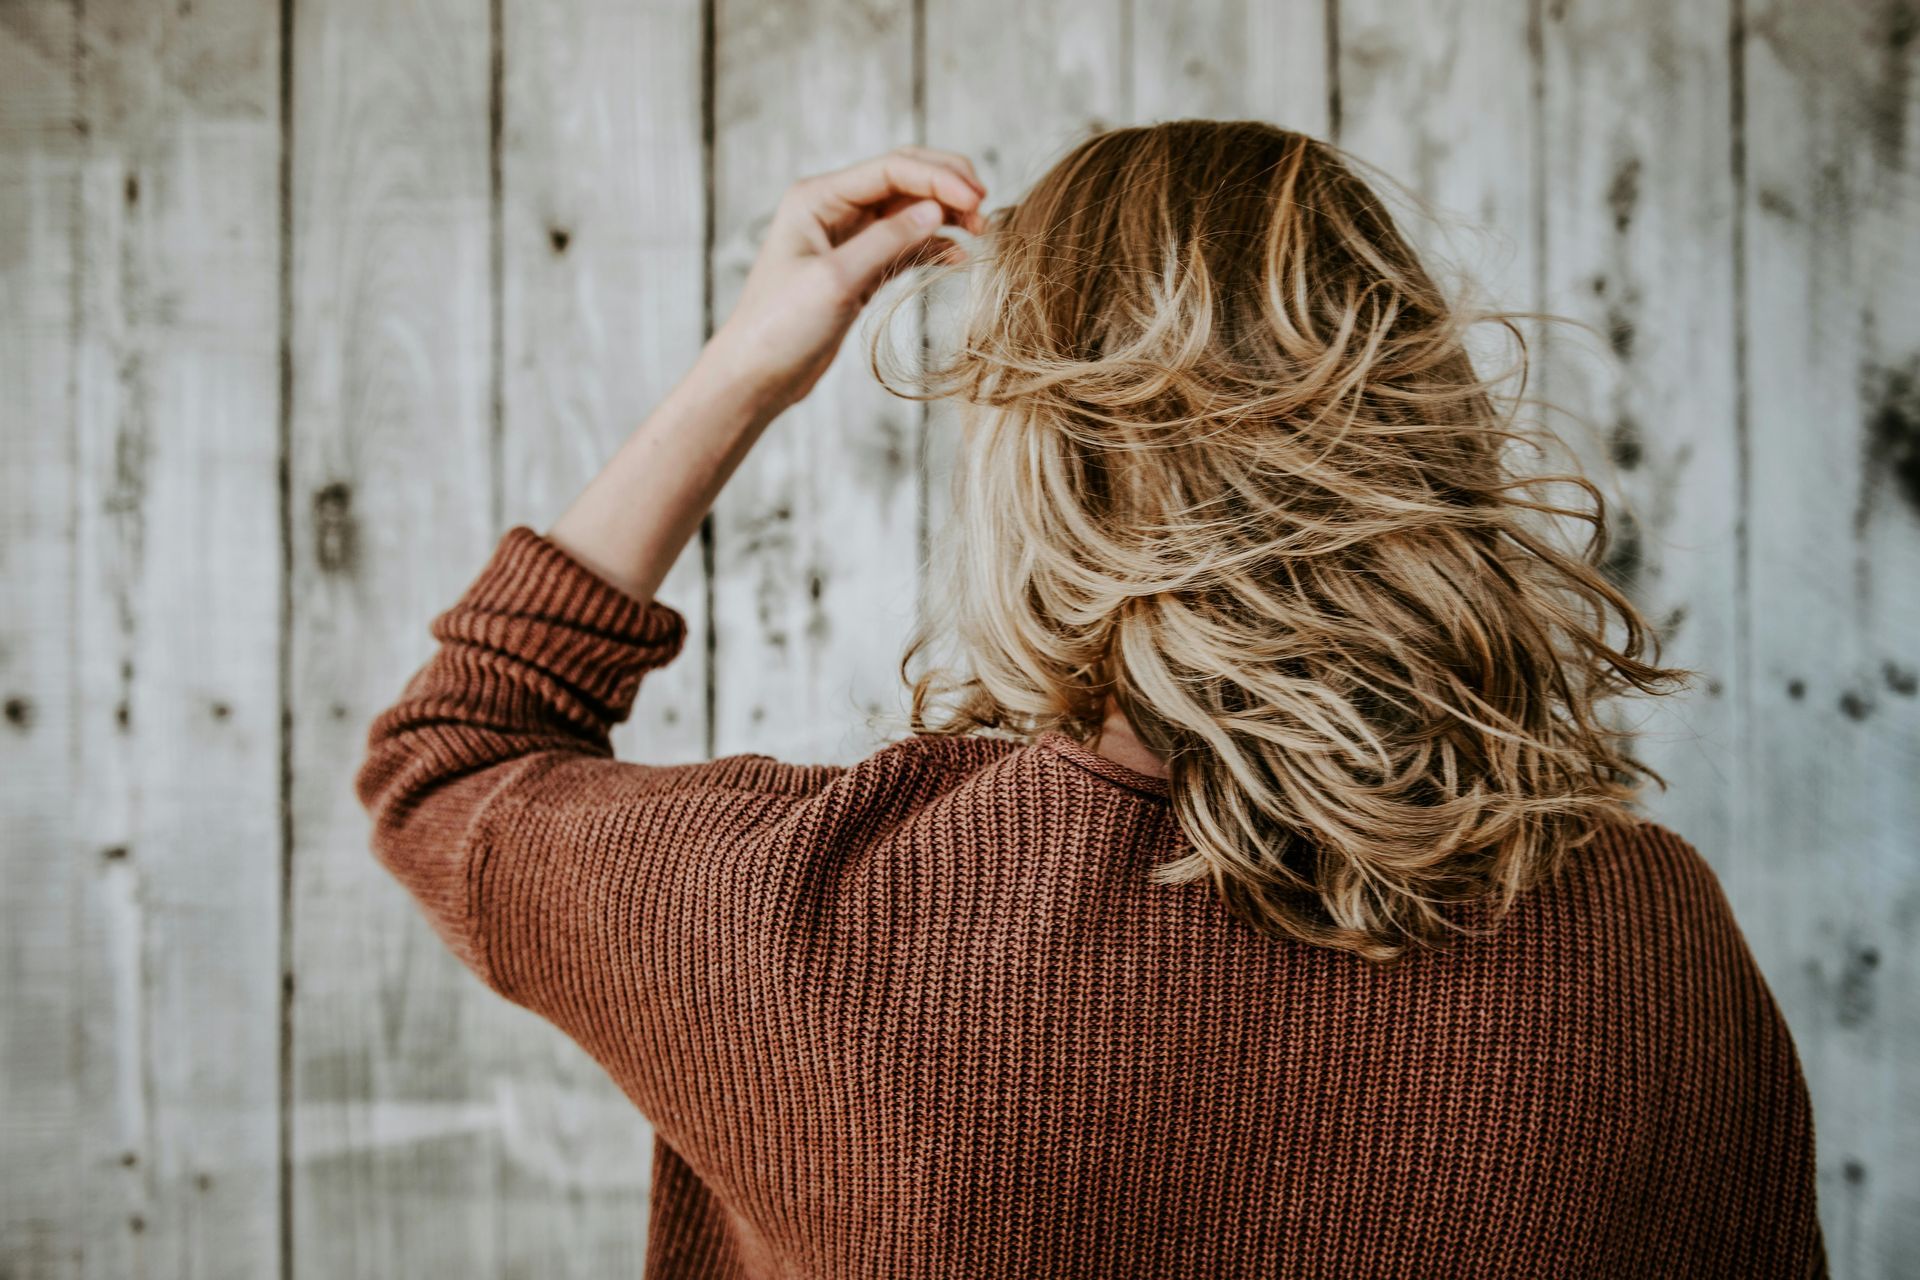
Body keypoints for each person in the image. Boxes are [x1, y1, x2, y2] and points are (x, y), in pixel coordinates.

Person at [356, 121, 1826, 1277]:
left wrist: (750, 364)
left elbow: (455, 754)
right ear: (1422, 438)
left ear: (1041, 473)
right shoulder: (1650, 937)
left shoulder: (814, 914)